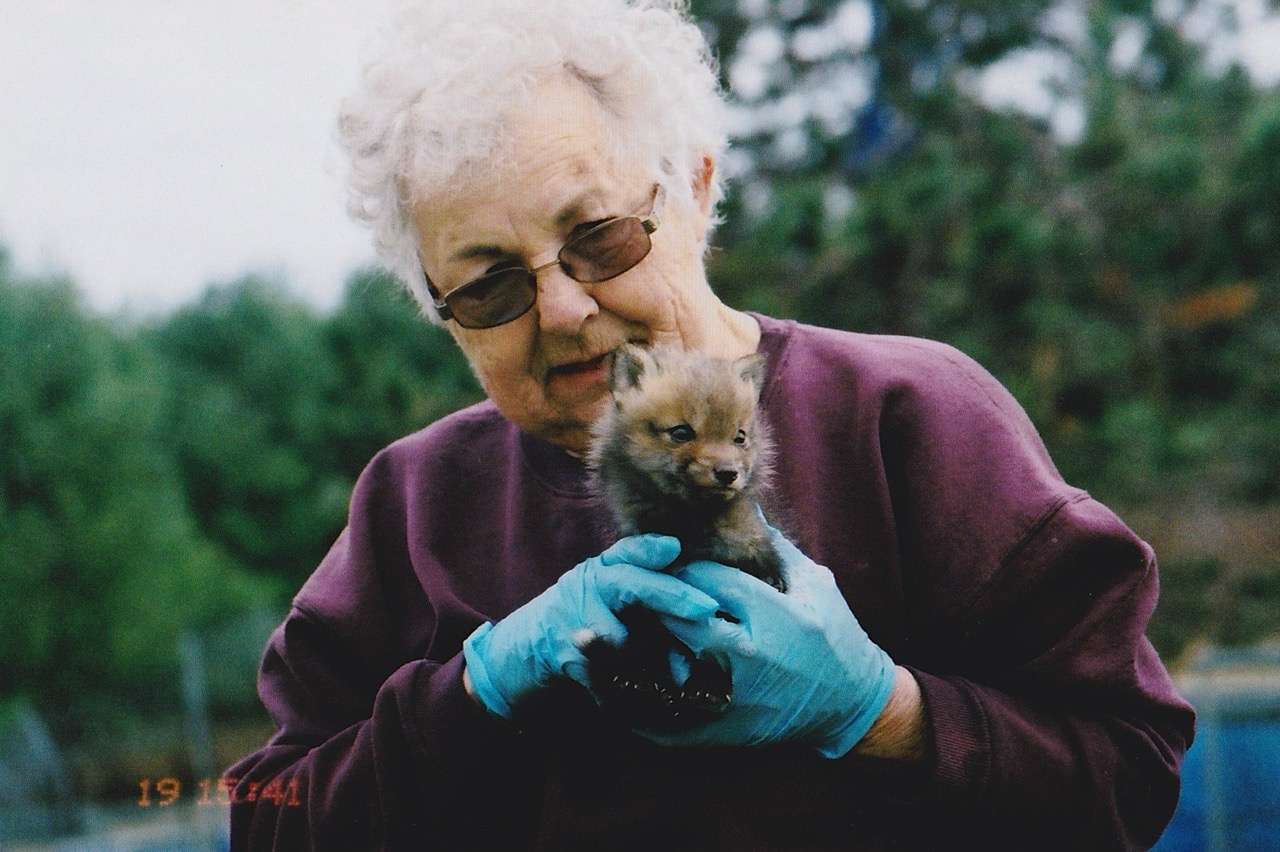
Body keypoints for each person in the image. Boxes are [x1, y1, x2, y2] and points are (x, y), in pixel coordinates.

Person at [224, 1, 1195, 848]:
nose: (561, 309)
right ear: (439, 311)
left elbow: (1130, 772)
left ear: (693, 188)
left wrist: (880, 712)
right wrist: (472, 695)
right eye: (488, 287)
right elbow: (268, 821)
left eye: (598, 237)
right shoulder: (413, 507)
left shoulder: (912, 421)